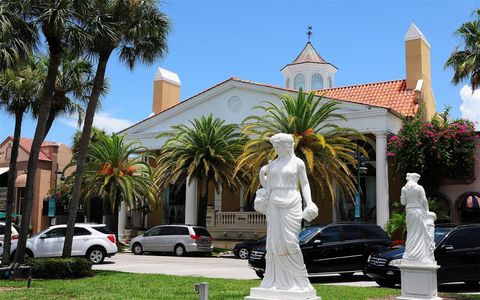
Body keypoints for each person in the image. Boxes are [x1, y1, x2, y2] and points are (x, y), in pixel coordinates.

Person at [254, 133, 318, 291]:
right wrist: (262, 174)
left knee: (291, 243)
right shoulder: (273, 164)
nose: (276, 149)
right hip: (274, 203)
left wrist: (309, 203)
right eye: (275, 146)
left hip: (292, 202)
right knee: (274, 243)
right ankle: (274, 281)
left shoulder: (298, 163)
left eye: (279, 146)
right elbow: (268, 186)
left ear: (288, 146)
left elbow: (304, 184)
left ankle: (300, 281)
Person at [400, 173, 436, 263]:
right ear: (414, 178)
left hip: (409, 211)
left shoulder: (404, 189)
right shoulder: (419, 188)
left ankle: (411, 253)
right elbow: (424, 200)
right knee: (420, 232)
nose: (418, 180)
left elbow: (403, 202)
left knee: (411, 232)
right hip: (419, 211)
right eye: (417, 178)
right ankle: (420, 255)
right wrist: (427, 210)